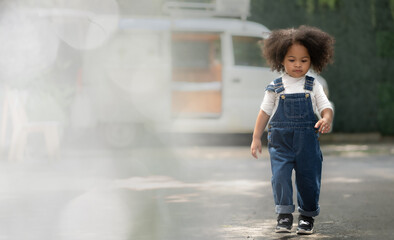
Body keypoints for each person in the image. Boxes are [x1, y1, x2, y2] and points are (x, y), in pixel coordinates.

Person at [250, 25, 334, 235]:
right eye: (292, 60)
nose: (298, 65)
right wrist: (256, 138)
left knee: (309, 179)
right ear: (281, 60)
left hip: (307, 143)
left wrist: (326, 117)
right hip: (281, 143)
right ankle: (284, 215)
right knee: (280, 178)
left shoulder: (312, 85)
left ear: (312, 60)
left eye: (304, 60)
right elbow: (264, 113)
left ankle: (306, 217)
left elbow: (325, 106)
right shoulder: (276, 86)